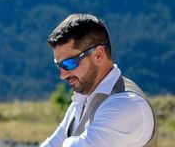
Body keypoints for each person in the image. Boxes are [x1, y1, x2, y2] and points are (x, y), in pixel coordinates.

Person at [40, 13, 156, 147]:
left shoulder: (126, 104)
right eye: (58, 65)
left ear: (98, 55)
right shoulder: (81, 99)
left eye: (69, 64)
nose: (62, 75)